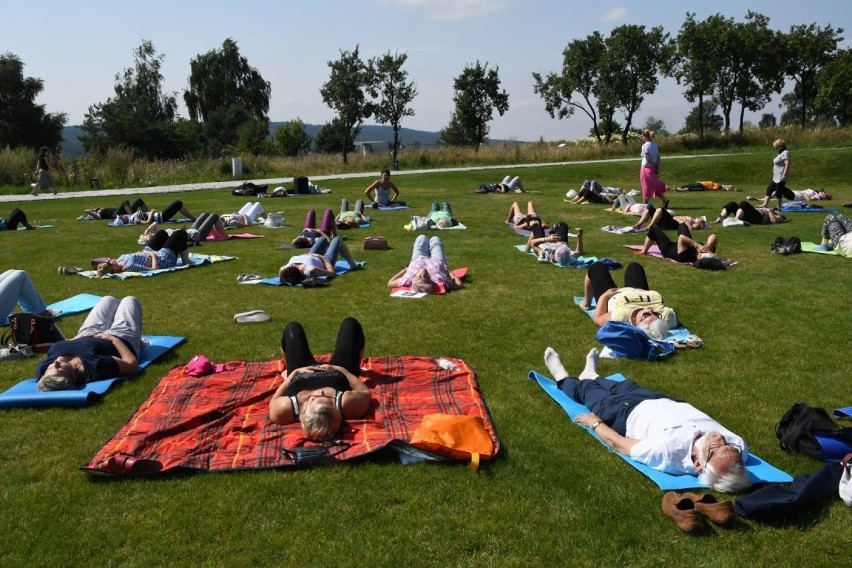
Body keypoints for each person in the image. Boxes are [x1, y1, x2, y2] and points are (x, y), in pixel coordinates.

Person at [542, 347, 752, 492]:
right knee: (623, 385)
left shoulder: (667, 454)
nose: (720, 440)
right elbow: (731, 453)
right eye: (729, 446)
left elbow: (620, 444)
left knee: (589, 392)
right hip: (664, 401)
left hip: (626, 413)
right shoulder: (739, 448)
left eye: (715, 449)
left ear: (697, 464)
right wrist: (727, 451)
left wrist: (595, 423)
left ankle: (562, 378)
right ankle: (592, 373)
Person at [268, 317, 371, 440]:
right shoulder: (346, 403)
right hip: (338, 371)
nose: (320, 392)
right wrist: (342, 370)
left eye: (314, 398)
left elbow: (273, 401)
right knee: (350, 324)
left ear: (304, 411)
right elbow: (365, 392)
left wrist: (292, 375)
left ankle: (288, 369)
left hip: (301, 371)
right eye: (327, 398)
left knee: (292, 328)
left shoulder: (286, 409)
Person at [35, 296, 143, 391]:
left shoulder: (43, 370)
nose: (55, 363)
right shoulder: (95, 367)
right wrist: (114, 340)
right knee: (129, 300)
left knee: (109, 300)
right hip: (120, 336)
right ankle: (139, 342)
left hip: (87, 332)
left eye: (50, 368)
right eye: (59, 368)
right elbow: (131, 365)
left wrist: (75, 339)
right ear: (72, 375)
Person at [579, 261, 676, 339]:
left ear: (635, 323)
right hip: (641, 292)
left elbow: (598, 319)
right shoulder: (667, 317)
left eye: (646, 315)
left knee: (597, 267)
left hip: (613, 295)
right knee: (634, 266)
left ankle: (586, 303)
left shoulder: (621, 317)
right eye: (655, 315)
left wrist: (604, 296)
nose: (649, 309)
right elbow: (667, 316)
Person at [95, 229, 191, 277]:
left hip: (147, 252)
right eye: (109, 262)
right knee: (180, 233)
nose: (110, 259)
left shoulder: (119, 260)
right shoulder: (129, 267)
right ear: (113, 270)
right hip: (163, 258)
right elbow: (154, 269)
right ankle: (185, 260)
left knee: (161, 233)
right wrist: (153, 255)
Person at [387, 235, 462, 293]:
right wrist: (450, 272)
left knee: (421, 238)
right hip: (436, 261)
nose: (423, 273)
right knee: (435, 239)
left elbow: (390, 283)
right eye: (426, 277)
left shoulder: (406, 280)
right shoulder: (439, 280)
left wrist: (403, 271)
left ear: (413, 279)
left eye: (419, 277)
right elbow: (459, 285)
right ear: (431, 281)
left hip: (418, 258)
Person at [278, 236, 358, 285]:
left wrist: (305, 255)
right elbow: (332, 273)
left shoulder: (284, 270)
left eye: (293, 265)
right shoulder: (311, 270)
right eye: (294, 266)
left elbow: (282, 275)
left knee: (323, 238)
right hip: (325, 261)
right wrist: (323, 258)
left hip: (311, 255)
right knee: (337, 239)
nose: (293, 264)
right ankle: (352, 264)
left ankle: (331, 246)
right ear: (299, 271)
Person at [637, 223, 718, 264]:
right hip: (681, 245)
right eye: (703, 252)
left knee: (654, 228)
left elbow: (681, 238)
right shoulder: (706, 252)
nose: (700, 253)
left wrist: (698, 246)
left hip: (668, 249)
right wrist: (709, 245)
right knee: (682, 225)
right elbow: (713, 236)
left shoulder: (686, 257)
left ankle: (644, 249)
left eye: (700, 256)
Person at [139, 213, 228, 246]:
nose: (148, 235)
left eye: (147, 235)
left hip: (190, 230)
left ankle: (216, 234)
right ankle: (225, 236)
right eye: (147, 237)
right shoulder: (163, 240)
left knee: (204, 214)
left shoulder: (159, 234)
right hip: (197, 235)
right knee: (214, 216)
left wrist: (148, 229)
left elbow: (155, 224)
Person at [757, 139, 792, 208]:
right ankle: (765, 205)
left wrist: (784, 175)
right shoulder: (781, 153)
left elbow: (787, 164)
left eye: (776, 147)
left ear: (780, 146)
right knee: (769, 189)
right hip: (776, 177)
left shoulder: (785, 152)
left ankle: (779, 208)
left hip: (781, 177)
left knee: (778, 192)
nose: (775, 149)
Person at [639, 129, 669, 208]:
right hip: (653, 168)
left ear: (645, 136)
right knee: (654, 186)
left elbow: (647, 157)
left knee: (645, 186)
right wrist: (657, 167)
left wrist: (654, 164)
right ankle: (664, 201)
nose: (641, 137)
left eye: (642, 136)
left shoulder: (645, 145)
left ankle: (645, 205)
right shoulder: (654, 145)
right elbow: (658, 157)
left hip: (646, 168)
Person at [110, 200, 195, 226]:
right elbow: (147, 223)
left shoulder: (131, 217)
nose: (122, 215)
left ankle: (193, 218)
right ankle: (193, 219)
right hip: (160, 218)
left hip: (159, 216)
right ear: (123, 222)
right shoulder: (132, 219)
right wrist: (151, 212)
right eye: (121, 217)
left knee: (178, 204)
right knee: (177, 203)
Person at [632, 203, 707, 232]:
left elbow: (692, 228)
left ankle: (649, 226)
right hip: (671, 220)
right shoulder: (692, 218)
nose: (699, 217)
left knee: (660, 209)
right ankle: (639, 224)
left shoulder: (698, 224)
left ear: (701, 222)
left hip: (675, 224)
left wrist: (685, 221)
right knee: (650, 207)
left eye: (701, 218)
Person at [713, 201, 787, 225]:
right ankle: (719, 219)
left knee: (744, 204)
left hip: (759, 218)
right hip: (752, 214)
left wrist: (770, 211)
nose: (775, 209)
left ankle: (735, 220)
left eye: (776, 210)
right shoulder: (770, 210)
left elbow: (774, 221)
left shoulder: (779, 216)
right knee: (732, 204)